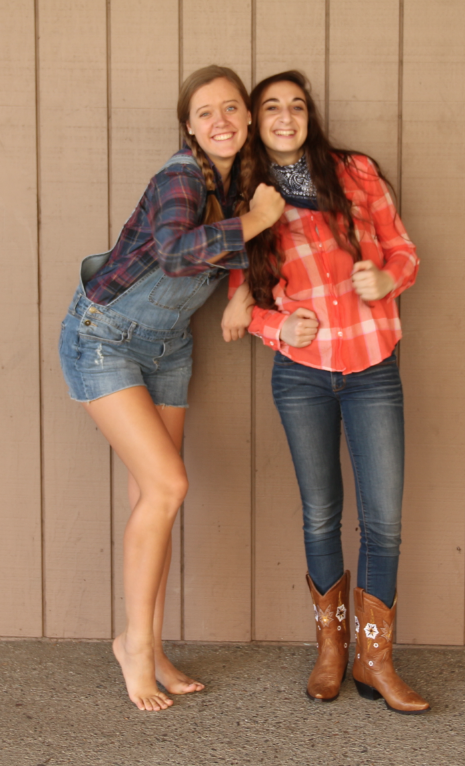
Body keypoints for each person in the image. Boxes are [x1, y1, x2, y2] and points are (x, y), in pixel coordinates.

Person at [59, 65, 284, 712]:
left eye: (231, 108)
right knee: (168, 486)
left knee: (150, 497)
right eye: (205, 112)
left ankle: (147, 643)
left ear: (246, 118)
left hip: (168, 347)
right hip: (104, 337)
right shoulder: (180, 177)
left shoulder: (244, 184)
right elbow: (177, 252)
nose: (220, 121)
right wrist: (257, 219)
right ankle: (134, 648)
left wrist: (242, 294)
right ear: (189, 125)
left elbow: (256, 259)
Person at [225, 70, 429, 714]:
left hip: (373, 365)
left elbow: (403, 250)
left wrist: (388, 280)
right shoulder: (247, 198)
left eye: (297, 105)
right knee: (320, 514)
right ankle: (331, 651)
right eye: (271, 107)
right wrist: (277, 326)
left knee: (384, 521)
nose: (286, 117)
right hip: (302, 374)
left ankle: (376, 661)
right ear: (255, 122)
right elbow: (240, 300)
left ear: (309, 115)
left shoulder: (355, 173)